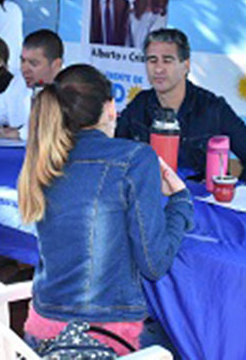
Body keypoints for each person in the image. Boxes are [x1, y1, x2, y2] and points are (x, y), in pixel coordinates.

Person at [18, 64, 194, 354]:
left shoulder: (44, 159)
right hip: (107, 338)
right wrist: (180, 202)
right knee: (189, 340)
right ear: (111, 108)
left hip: (40, 335)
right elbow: (154, 264)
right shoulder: (134, 159)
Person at [116, 28, 246, 184]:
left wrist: (234, 196)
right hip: (150, 201)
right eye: (152, 60)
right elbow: (115, 154)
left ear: (186, 65)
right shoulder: (139, 105)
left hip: (199, 205)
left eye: (167, 60)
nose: (158, 69)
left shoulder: (213, 108)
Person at [0, 29, 63, 141]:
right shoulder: (19, 82)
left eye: (33, 63)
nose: (24, 69)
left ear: (56, 65)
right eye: (22, 61)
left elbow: (57, 128)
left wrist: (19, 133)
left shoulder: (69, 88)